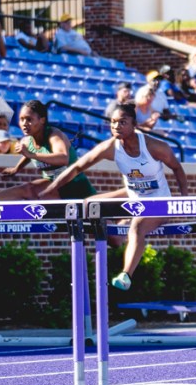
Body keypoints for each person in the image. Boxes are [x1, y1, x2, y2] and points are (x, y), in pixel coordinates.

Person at [43, 103, 188, 290]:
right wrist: (52, 187)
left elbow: (177, 168)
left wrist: (184, 200)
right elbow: (78, 167)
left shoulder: (154, 146)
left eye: (122, 122)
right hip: (133, 195)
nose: (116, 126)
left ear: (134, 125)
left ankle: (126, 275)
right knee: (88, 205)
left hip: (157, 200)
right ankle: (117, 236)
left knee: (137, 227)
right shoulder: (110, 147)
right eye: (113, 122)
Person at [0, 99, 98, 201]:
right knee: (28, 189)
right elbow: (28, 155)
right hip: (55, 185)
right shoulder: (27, 140)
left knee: (105, 230)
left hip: (76, 186)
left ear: (42, 120)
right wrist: (17, 168)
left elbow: (63, 158)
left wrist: (32, 154)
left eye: (29, 119)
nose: (24, 123)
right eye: (21, 119)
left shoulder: (54, 134)